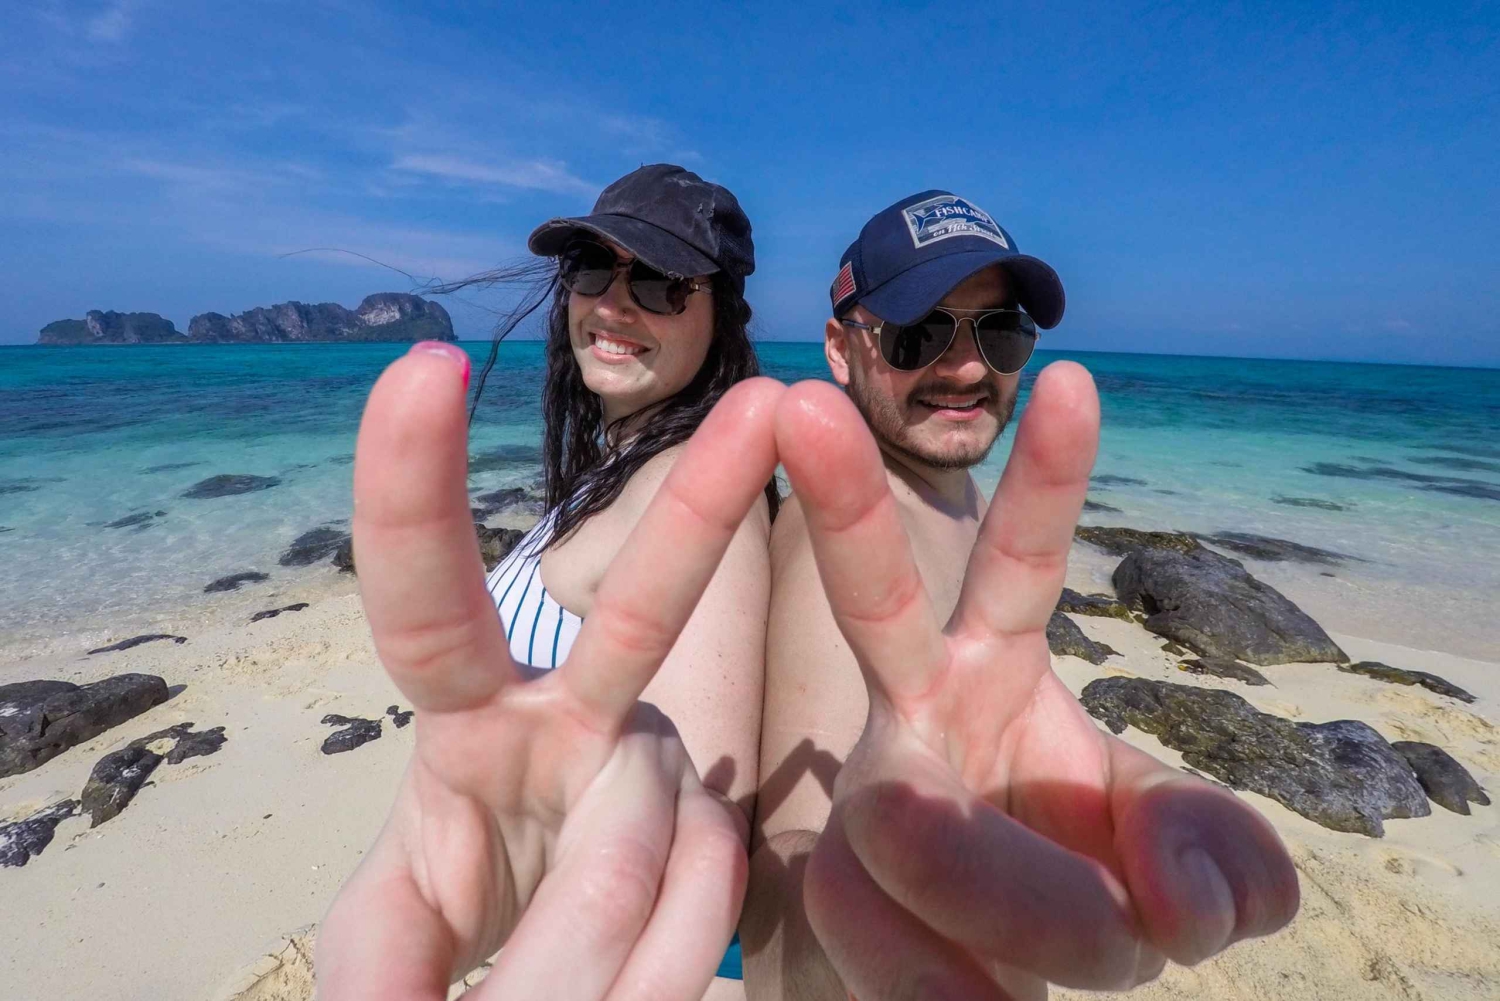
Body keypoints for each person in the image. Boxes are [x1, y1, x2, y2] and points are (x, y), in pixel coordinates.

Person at [742, 191, 1301, 999]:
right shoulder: (837, 539)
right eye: (918, 332)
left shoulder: (962, 498)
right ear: (842, 347)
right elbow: (785, 854)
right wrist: (855, 905)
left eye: (999, 332)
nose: (967, 367)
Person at [317, 165, 777, 999]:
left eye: (663, 283)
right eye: (592, 269)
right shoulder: (615, 467)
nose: (613, 303)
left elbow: (701, 815)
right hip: (504, 914)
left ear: (723, 316)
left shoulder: (697, 500)